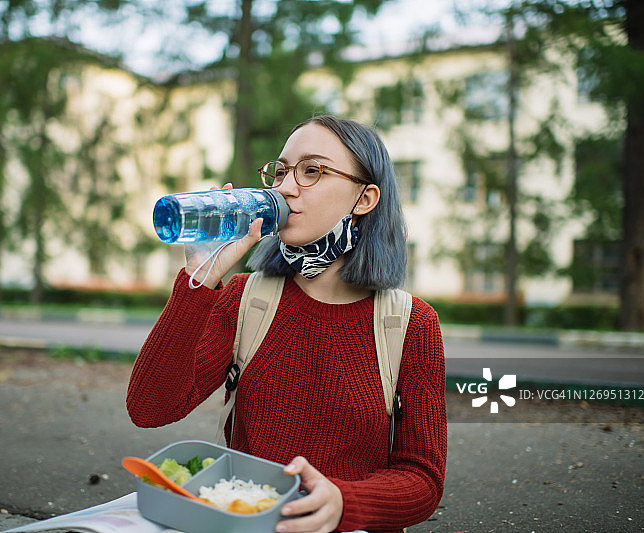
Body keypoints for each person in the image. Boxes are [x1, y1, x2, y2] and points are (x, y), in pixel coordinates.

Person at [127, 115, 446, 533]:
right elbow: (150, 408)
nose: (285, 187)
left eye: (312, 171)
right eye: (281, 171)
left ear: (364, 199)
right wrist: (200, 279)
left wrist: (343, 502)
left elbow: (422, 479)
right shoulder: (245, 299)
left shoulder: (410, 324)